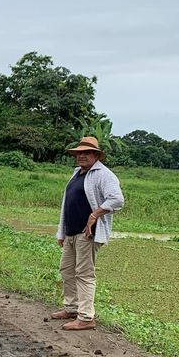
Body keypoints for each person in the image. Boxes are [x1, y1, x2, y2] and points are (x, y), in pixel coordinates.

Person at [52, 136, 124, 331]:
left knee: (84, 274)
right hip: (71, 232)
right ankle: (72, 308)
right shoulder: (77, 173)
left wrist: (95, 214)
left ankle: (86, 317)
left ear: (96, 155)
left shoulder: (103, 174)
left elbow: (117, 199)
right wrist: (61, 232)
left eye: (87, 152)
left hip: (87, 234)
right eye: (79, 153)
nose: (81, 156)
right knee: (67, 270)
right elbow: (66, 205)